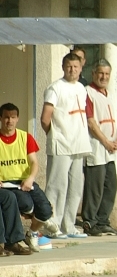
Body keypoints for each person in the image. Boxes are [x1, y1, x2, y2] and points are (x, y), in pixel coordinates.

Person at [41, 52, 92, 238]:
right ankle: (51, 227)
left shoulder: (81, 88)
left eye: (76, 67)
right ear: (63, 67)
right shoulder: (55, 88)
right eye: (69, 66)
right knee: (57, 186)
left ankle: (69, 226)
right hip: (61, 144)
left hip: (79, 144)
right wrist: (56, 136)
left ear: (81, 68)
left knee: (76, 187)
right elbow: (45, 118)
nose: (72, 70)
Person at [0, 102, 59, 250]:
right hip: (7, 184)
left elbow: (34, 162)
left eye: (13, 117)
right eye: (6, 117)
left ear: (18, 118)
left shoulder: (25, 137)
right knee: (26, 205)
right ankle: (36, 225)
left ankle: (32, 232)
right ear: (1, 118)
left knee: (46, 210)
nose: (10, 121)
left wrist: (31, 178)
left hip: (26, 181)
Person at [83, 59, 117, 236]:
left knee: (110, 185)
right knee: (95, 187)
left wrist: (116, 139)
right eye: (100, 73)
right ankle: (90, 222)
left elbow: (113, 120)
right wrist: (106, 142)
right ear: (93, 73)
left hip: (111, 149)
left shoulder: (109, 94)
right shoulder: (88, 93)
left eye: (107, 74)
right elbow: (91, 122)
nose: (103, 77)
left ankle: (103, 220)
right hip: (97, 146)